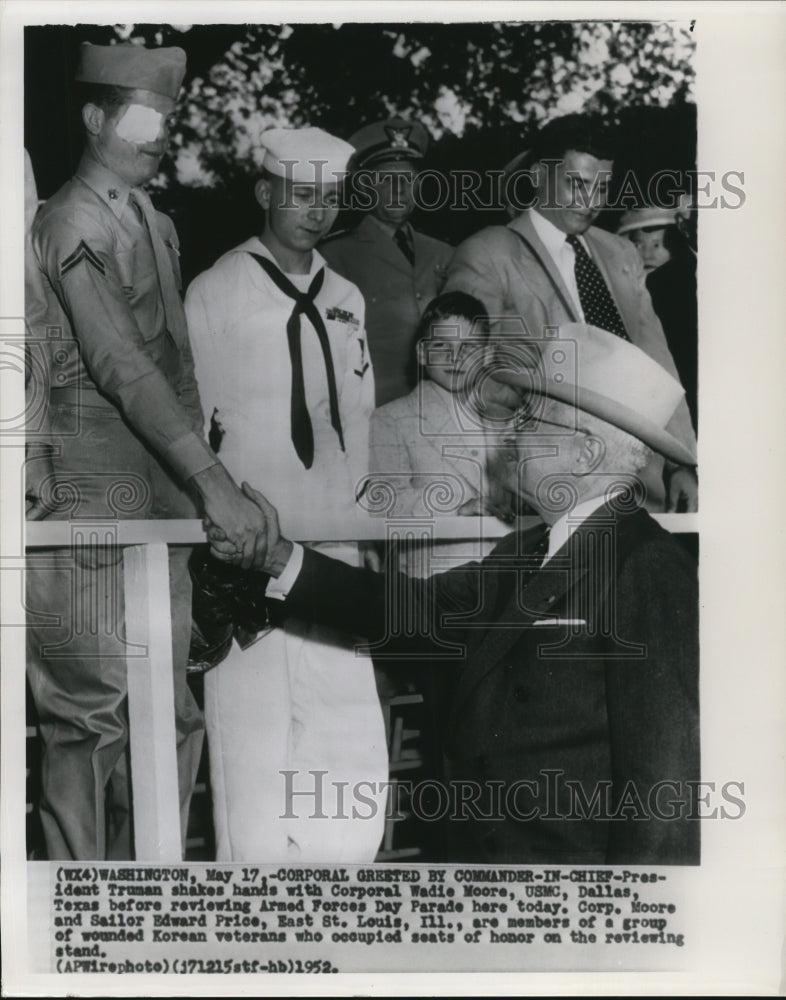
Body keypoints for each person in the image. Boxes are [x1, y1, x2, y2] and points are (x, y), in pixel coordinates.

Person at [206, 323, 700, 865]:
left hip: (567, 899)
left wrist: (630, 927)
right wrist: (277, 557)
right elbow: (415, 612)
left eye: (532, 418)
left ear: (583, 453)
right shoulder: (528, 548)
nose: (511, 430)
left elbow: (664, 784)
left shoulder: (648, 566)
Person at [26, 42, 268, 860]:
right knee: (89, 717)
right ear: (94, 119)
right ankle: (77, 914)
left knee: (170, 713)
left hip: (161, 497)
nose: (158, 136)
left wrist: (211, 484)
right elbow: (120, 364)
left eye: (167, 120)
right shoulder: (70, 221)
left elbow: (177, 373)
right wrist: (213, 485)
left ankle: (154, 902)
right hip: (89, 500)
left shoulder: (155, 222)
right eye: (139, 118)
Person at [184, 127, 388, 863]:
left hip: (332, 541)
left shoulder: (346, 295)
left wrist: (364, 530)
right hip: (253, 545)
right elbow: (195, 426)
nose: (318, 212)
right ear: (266, 193)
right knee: (255, 744)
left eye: (331, 198)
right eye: (303, 195)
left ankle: (342, 895)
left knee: (345, 735)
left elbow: (357, 419)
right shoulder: (217, 289)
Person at [444, 113, 698, 514]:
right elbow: (464, 375)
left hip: (641, 484)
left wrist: (683, 462)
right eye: (576, 184)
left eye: (603, 187)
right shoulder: (488, 253)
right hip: (540, 489)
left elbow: (658, 362)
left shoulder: (621, 253)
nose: (592, 202)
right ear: (539, 176)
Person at [368, 290, 514, 578]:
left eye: (469, 347)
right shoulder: (391, 419)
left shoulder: (505, 420)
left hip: (504, 577)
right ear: (421, 353)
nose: (455, 357)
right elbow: (382, 504)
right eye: (441, 345)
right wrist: (456, 507)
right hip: (430, 578)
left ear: (486, 354)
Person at [321, 116, 454, 406]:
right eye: (387, 180)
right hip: (371, 410)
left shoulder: (444, 253)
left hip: (441, 408)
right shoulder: (334, 256)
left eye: (407, 179)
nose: (399, 190)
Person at [618, 207, 698, 429]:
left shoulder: (680, 291)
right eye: (638, 244)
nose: (647, 253)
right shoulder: (625, 291)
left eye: (656, 245)